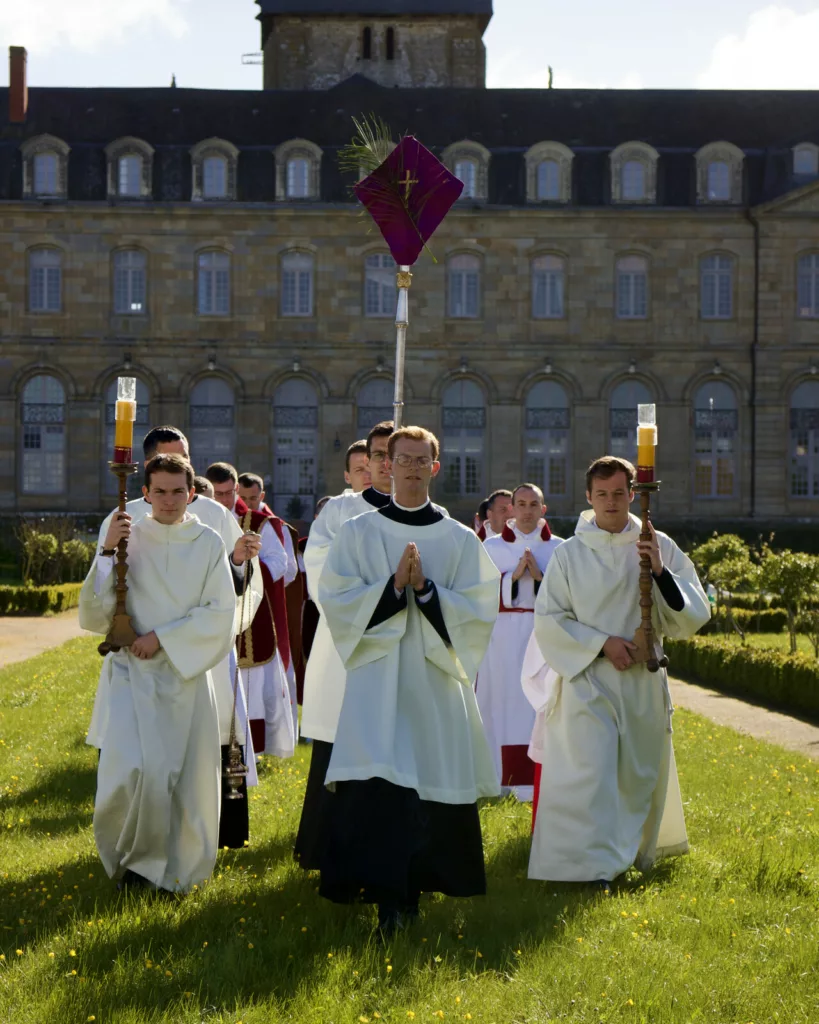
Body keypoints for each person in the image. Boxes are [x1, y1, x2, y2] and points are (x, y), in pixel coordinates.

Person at [316, 426, 501, 933]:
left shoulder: (460, 540)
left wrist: (427, 591)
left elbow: (481, 611)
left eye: (423, 460)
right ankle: (388, 902)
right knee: (382, 787)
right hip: (378, 682)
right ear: (387, 465)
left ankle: (415, 892)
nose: (413, 468)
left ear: (435, 468)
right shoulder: (358, 532)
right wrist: (393, 587)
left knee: (426, 787)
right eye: (404, 460)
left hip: (433, 681)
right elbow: (334, 597)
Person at [528, 456, 710, 890]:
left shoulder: (655, 543)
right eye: (602, 494)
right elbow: (549, 619)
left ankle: (626, 854)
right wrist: (601, 644)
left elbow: (694, 614)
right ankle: (593, 869)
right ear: (589, 498)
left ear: (633, 494)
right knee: (591, 772)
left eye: (620, 493)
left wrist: (661, 573)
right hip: (588, 680)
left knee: (635, 775)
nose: (611, 502)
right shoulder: (570, 554)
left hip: (642, 681)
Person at [88, 426, 262, 850]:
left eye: (180, 484)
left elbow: (228, 597)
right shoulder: (122, 518)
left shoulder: (211, 520)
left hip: (192, 660)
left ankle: (185, 848)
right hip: (134, 666)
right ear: (145, 478)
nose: (171, 496)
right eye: (161, 486)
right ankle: (131, 849)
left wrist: (239, 563)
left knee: (188, 766)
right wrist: (109, 551)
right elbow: (100, 601)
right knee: (131, 765)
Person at [294, 421, 398, 867]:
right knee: (337, 749)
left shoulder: (428, 514)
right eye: (379, 455)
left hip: (402, 652)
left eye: (398, 456)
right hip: (346, 649)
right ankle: (328, 849)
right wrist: (378, 597)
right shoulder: (339, 513)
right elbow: (319, 574)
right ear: (368, 461)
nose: (388, 464)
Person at [476, 483, 562, 800]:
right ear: (511, 508)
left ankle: (541, 779)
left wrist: (540, 578)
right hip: (502, 636)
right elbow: (479, 593)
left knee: (539, 703)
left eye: (533, 504)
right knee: (503, 702)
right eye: (521, 504)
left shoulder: (560, 549)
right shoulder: (492, 547)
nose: (527, 510)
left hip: (543, 634)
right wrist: (511, 579)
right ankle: (499, 779)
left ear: (544, 509)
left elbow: (568, 598)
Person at [206, 462, 296, 759]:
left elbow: (280, 561)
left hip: (249, 610)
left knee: (251, 682)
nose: (223, 500)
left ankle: (251, 749)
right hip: (209, 610)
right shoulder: (197, 519)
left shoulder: (256, 522)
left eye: (228, 493)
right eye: (217, 494)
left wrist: (249, 575)